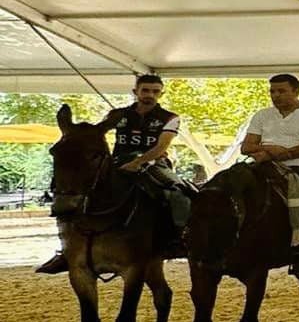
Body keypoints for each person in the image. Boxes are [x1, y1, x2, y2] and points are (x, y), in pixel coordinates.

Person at [36, 72, 191, 273]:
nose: (150, 95)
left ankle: (179, 239)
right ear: (136, 91)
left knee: (178, 192)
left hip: (155, 164)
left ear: (161, 94)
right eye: (145, 90)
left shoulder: (170, 117)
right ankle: (67, 249)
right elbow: (99, 134)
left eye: (155, 91)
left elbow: (162, 147)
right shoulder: (117, 115)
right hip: (117, 162)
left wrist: (138, 162)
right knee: (77, 192)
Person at [242, 73, 299, 257]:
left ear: (296, 91)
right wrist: (269, 150)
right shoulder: (262, 115)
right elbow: (246, 146)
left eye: (281, 91)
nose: (276, 95)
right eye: (272, 91)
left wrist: (287, 153)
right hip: (264, 164)